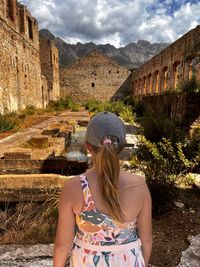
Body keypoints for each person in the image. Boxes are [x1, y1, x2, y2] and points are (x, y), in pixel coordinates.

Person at [54, 111, 152, 267]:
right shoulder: (140, 186)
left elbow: (62, 246)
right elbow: (146, 241)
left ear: (87, 146)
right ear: (122, 146)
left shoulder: (73, 187)